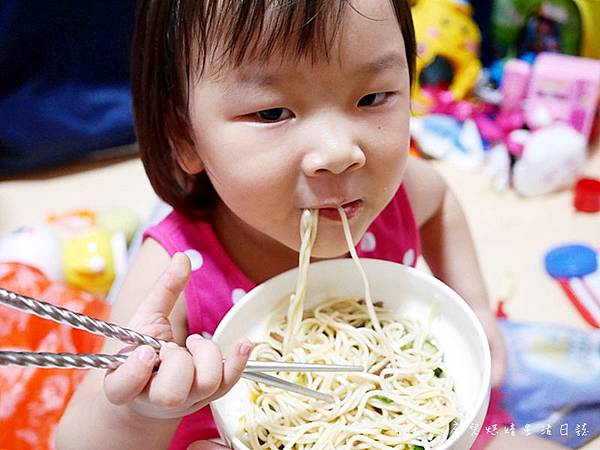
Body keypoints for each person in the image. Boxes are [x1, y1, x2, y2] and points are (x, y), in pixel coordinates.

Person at [57, 1, 568, 449]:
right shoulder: (175, 275)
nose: (338, 153)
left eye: (373, 98)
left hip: (423, 420)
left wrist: (476, 306)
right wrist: (137, 410)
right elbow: (73, 443)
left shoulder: (401, 191)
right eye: (273, 111)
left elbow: (443, 206)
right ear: (183, 136)